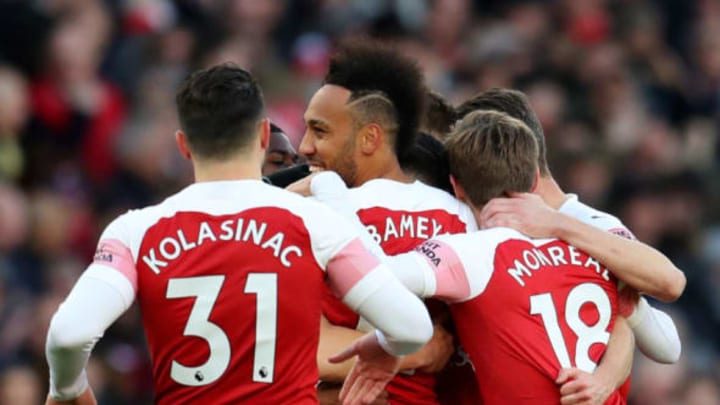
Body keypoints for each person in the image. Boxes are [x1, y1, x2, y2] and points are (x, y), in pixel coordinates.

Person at [44, 64, 433, 405]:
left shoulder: (134, 231)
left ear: (183, 145)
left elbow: (67, 334)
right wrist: (385, 349)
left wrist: (68, 389)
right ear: (264, 135)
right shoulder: (313, 222)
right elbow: (411, 326)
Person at [382, 109, 681, 404]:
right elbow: (639, 326)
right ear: (534, 177)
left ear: (456, 187)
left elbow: (377, 277)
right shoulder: (591, 249)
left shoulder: (472, 252)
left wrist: (381, 344)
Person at [296, 40, 474, 405]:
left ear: (370, 137)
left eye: (320, 131)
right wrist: (419, 351)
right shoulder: (461, 217)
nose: (304, 147)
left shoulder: (312, 216)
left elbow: (295, 351)